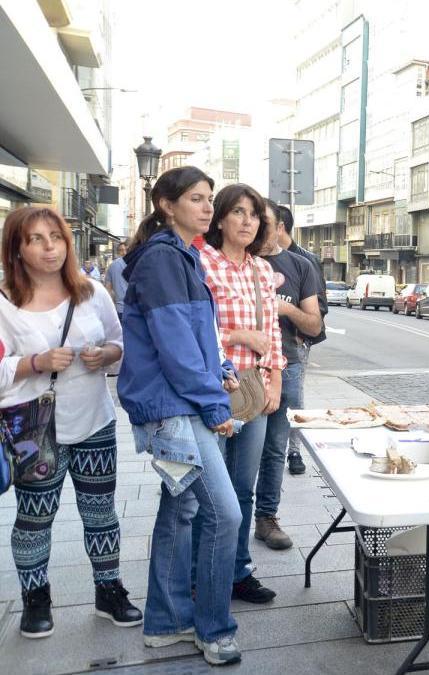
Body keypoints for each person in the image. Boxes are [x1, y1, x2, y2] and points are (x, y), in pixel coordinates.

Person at [117, 166, 243, 665]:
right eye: (196, 198)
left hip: (179, 403)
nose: (207, 207)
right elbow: (174, 348)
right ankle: (213, 630)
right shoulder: (165, 260)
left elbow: (196, 339)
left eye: (210, 197)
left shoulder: (181, 258)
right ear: (167, 205)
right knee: (224, 513)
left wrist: (224, 368)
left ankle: (166, 622)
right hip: (174, 410)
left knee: (183, 510)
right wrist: (215, 404)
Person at [0, 207, 140, 639]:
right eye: (36, 239)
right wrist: (34, 363)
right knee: (35, 517)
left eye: (56, 237)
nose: (50, 248)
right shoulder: (4, 302)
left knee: (101, 514)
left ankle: (108, 590)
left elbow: (119, 342)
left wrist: (106, 355)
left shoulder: (91, 292)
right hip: (34, 429)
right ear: (16, 249)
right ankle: (35, 598)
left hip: (94, 420)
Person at [200, 184, 286, 605]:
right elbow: (189, 330)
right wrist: (236, 334)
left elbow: (272, 333)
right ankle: (202, 574)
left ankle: (237, 571)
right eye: (238, 212)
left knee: (243, 486)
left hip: (254, 386)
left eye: (254, 214)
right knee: (210, 489)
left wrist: (276, 381)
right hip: (214, 387)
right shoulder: (202, 264)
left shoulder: (261, 271)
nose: (248, 221)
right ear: (219, 219)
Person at [254, 202, 322, 550]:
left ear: (278, 226)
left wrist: (287, 309)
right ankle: (229, 522)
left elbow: (315, 323)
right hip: (243, 367)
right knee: (236, 449)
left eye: (262, 220)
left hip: (288, 364)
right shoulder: (236, 263)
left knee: (275, 446)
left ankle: (266, 517)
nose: (255, 226)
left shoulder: (299, 266)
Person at [272, 204, 326, 475]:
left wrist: (301, 333)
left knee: (294, 399)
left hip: (294, 344)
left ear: (280, 226)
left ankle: (294, 450)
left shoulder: (305, 261)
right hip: (262, 350)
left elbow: (320, 308)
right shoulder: (252, 258)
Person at [104, 241, 129, 319]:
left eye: (126, 250)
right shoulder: (135, 263)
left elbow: (108, 289)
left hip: (119, 309)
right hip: (131, 309)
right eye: (121, 250)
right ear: (118, 252)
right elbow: (108, 289)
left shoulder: (112, 266)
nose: (124, 252)